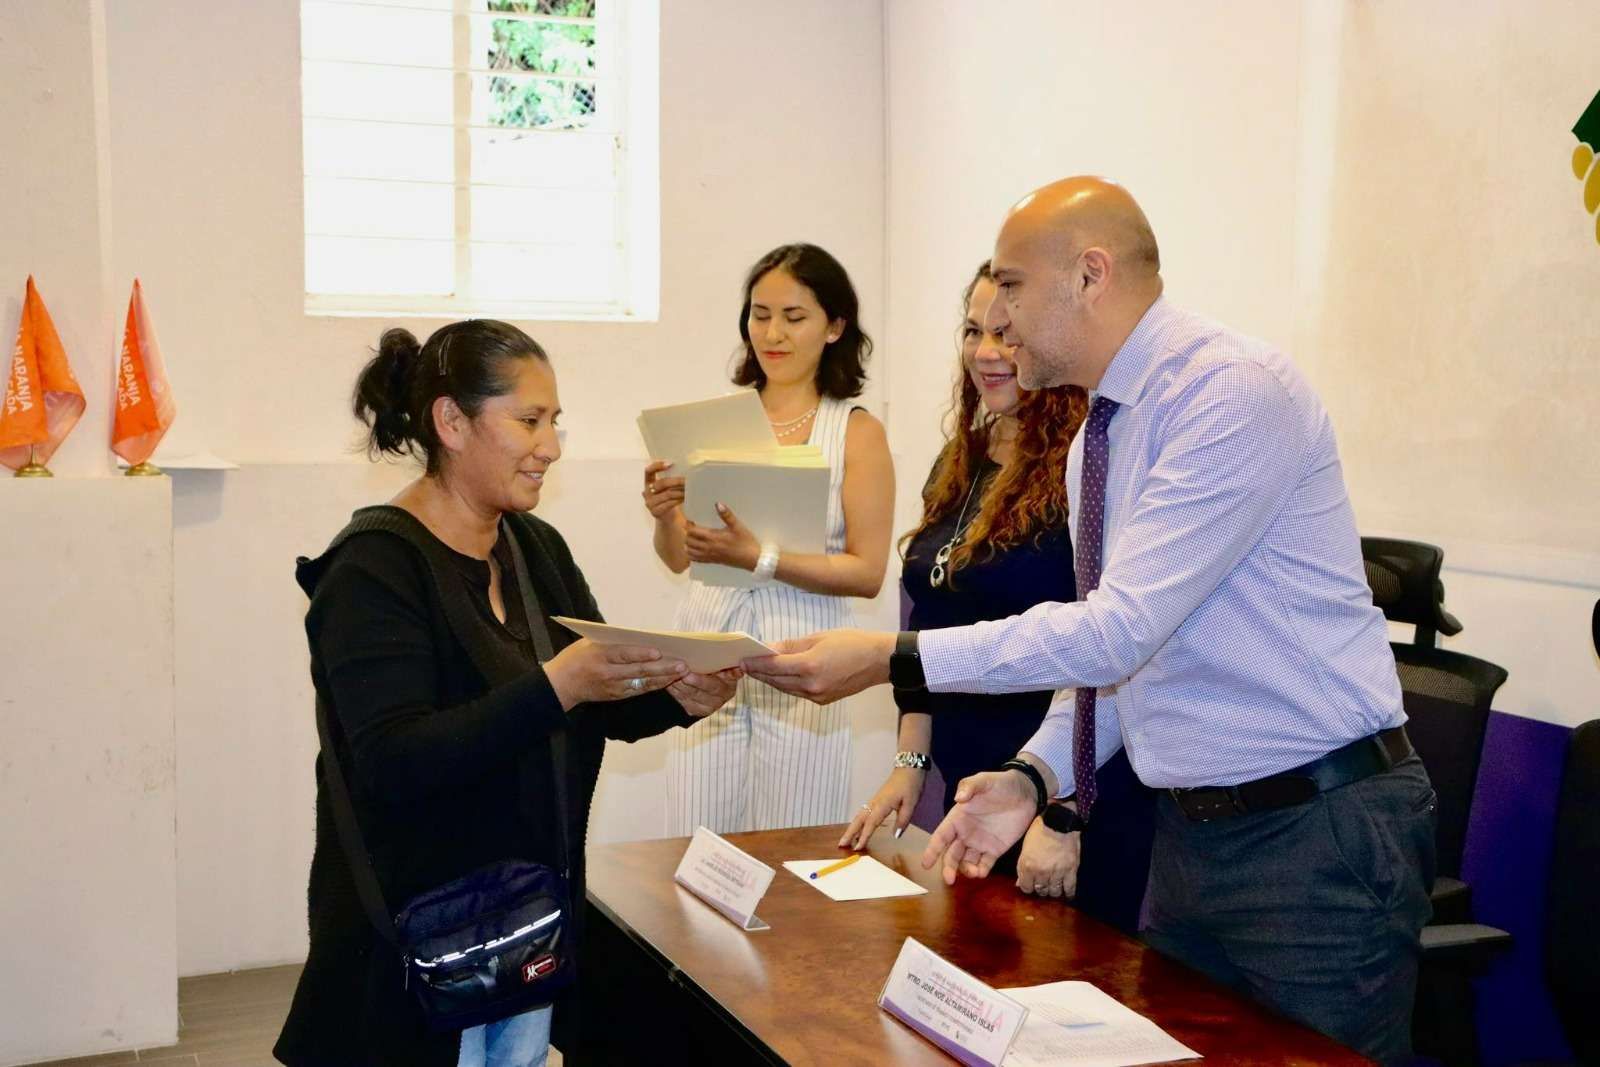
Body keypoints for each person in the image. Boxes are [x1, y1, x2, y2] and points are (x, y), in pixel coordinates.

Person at [745, 177, 1436, 1065]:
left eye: (1010, 284)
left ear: (1090, 274)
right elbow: (1120, 661)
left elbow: (1118, 630)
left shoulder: (1229, 393)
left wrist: (893, 656)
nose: (996, 317)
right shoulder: (1099, 437)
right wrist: (1033, 776)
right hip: (1195, 835)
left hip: (1315, 832)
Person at [274, 320, 739, 1067]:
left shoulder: (534, 548)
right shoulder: (372, 569)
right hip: (415, 947)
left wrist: (680, 697)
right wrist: (559, 683)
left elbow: (594, 702)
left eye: (555, 422)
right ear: (451, 422)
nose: (550, 446)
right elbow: (394, 760)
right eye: (529, 420)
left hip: (522, 929)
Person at [837, 260, 1154, 933]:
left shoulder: (1088, 463)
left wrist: (1061, 809)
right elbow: (929, 623)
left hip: (1066, 792)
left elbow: (1108, 649)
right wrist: (910, 763)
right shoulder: (963, 457)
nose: (986, 351)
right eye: (972, 331)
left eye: (1006, 333)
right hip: (974, 789)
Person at [640, 243, 894, 835]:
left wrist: (762, 558)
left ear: (835, 327)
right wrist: (664, 516)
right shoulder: (714, 423)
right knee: (695, 838)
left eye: (794, 317)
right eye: (760, 315)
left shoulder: (855, 431)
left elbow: (867, 571)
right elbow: (679, 560)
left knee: (797, 842)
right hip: (707, 648)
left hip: (803, 652)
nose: (772, 333)